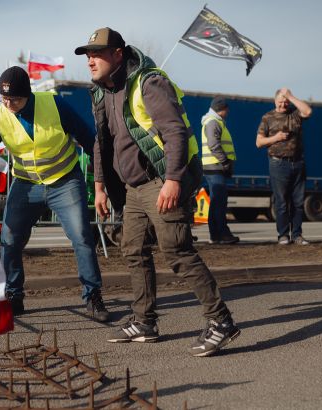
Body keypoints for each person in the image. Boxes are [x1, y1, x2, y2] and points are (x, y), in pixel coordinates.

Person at [76, 27, 240, 357]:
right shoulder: (103, 92)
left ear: (118, 54)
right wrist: (99, 185)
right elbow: (101, 141)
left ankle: (220, 321)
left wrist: (174, 179)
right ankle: (144, 322)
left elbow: (175, 132)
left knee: (177, 250)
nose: (90, 60)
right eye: (87, 55)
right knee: (133, 249)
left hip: (161, 180)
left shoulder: (149, 83)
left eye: (97, 53)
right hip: (133, 188)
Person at [0, 66, 109, 322]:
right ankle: (13, 295)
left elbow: (89, 140)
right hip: (26, 184)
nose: (9, 104)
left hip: (65, 181)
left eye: (15, 99)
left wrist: (105, 179)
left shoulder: (55, 105)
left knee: (81, 236)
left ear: (29, 95)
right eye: (4, 99)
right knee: (9, 238)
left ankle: (93, 297)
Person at [255, 88, 312, 245]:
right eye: (280, 100)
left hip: (298, 162)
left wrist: (290, 96)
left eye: (285, 101)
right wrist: (276, 137)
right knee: (281, 202)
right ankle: (283, 235)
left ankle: (297, 235)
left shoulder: (295, 114)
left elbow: (308, 111)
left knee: (298, 202)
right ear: (275, 101)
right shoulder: (268, 117)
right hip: (278, 164)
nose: (283, 104)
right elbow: (259, 142)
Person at [201, 96, 239, 244]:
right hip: (216, 167)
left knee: (216, 202)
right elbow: (213, 144)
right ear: (221, 109)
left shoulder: (214, 121)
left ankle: (216, 235)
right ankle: (223, 234)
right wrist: (225, 162)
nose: (228, 111)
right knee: (220, 203)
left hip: (213, 167)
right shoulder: (213, 122)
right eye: (226, 109)